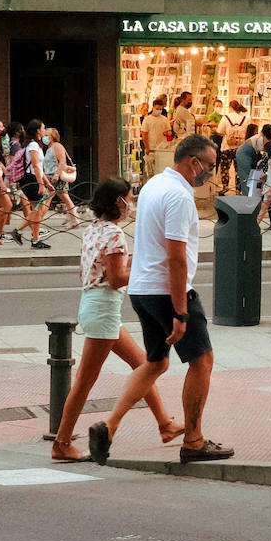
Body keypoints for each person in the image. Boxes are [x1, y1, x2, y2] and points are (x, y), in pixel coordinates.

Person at [88, 134, 233, 466]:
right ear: (193, 162)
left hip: (141, 288)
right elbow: (176, 258)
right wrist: (181, 312)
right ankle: (194, 441)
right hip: (166, 290)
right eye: (210, 166)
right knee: (202, 361)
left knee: (155, 362)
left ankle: (108, 428)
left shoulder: (154, 185)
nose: (211, 174)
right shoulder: (179, 197)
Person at [51, 178, 184, 462]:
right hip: (103, 308)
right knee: (84, 382)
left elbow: (106, 270)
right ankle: (61, 443)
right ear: (118, 202)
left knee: (143, 364)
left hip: (95, 305)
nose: (131, 204)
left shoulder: (92, 230)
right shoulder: (114, 234)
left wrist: (135, 260)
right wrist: (142, 266)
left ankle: (165, 425)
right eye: (129, 198)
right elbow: (116, 278)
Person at [11, 119, 54, 249]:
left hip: (34, 178)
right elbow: (35, 165)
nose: (45, 130)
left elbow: (39, 167)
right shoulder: (33, 145)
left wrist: (46, 182)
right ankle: (19, 231)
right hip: (31, 179)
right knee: (40, 208)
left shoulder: (36, 145)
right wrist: (41, 185)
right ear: (37, 131)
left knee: (38, 209)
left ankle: (35, 240)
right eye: (43, 128)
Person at [44, 127, 81, 227]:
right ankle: (73, 218)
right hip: (50, 176)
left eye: (46, 135)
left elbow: (62, 161)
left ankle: (75, 219)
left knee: (53, 197)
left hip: (57, 177)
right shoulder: (49, 148)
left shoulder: (57, 146)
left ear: (52, 137)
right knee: (63, 197)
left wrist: (56, 174)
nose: (44, 137)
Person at [215, 100, 248, 193]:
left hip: (226, 147)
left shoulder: (226, 118)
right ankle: (238, 189)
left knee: (225, 168)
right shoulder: (245, 119)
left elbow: (220, 131)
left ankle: (225, 187)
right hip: (240, 148)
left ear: (230, 107)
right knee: (239, 169)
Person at [140, 98, 170, 180]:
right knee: (151, 173)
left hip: (162, 150)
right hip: (151, 150)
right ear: (153, 108)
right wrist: (147, 147)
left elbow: (169, 132)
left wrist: (168, 134)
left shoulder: (164, 120)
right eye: (157, 109)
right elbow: (144, 134)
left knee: (161, 173)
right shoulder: (147, 120)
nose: (159, 111)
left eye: (160, 109)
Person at [235, 124, 262, 198]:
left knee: (249, 178)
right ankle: (247, 198)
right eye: (256, 131)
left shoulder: (251, 140)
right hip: (246, 158)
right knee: (246, 178)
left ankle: (249, 196)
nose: (257, 133)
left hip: (251, 159)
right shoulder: (254, 140)